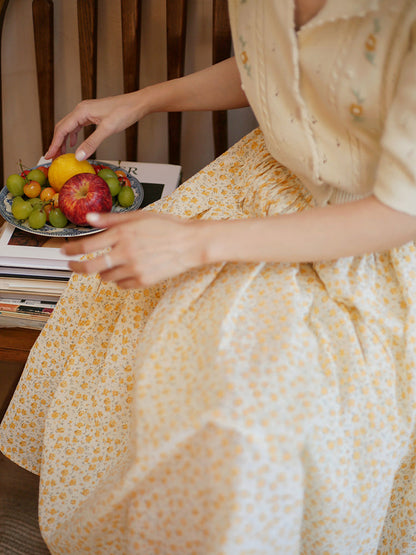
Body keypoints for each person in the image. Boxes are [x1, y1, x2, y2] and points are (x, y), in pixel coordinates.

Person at [1, 0, 416, 552]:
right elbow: (269, 64)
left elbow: (401, 211)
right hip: (263, 179)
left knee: (245, 403)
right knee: (114, 305)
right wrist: (142, 101)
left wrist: (194, 243)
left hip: (367, 234)